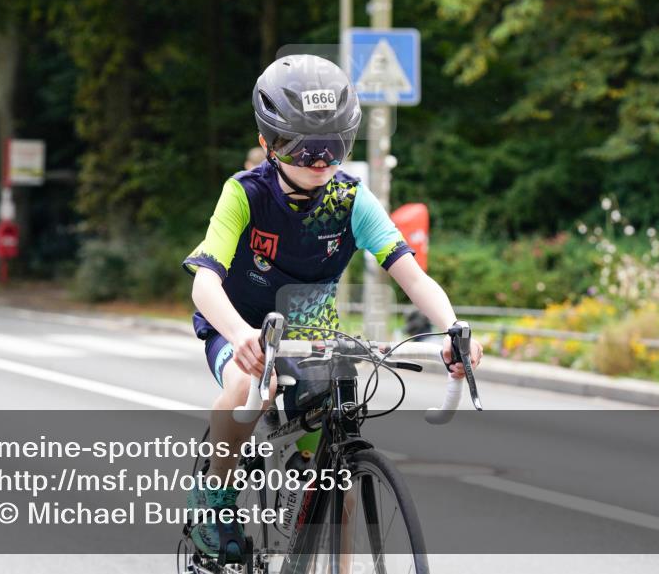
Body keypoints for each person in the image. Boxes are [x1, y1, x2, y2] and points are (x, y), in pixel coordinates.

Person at [181, 54, 483, 559]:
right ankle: (215, 497)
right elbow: (205, 283)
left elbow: (412, 275)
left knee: (334, 469)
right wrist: (239, 335)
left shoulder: (351, 199)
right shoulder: (245, 194)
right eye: (305, 149)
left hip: (313, 332)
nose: (321, 162)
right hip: (240, 325)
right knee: (250, 385)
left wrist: (452, 327)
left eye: (335, 147)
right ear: (268, 144)